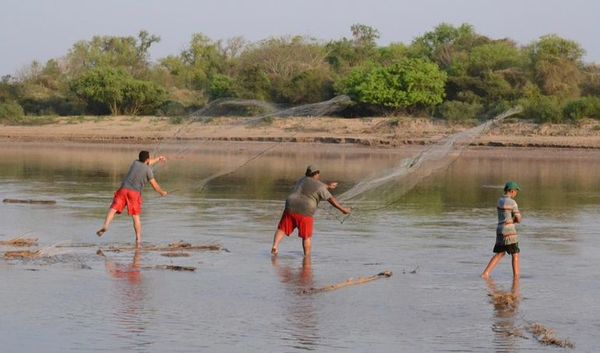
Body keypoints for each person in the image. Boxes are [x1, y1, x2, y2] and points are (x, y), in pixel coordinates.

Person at [271, 164, 351, 256]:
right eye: (319, 174)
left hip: (290, 205)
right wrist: (343, 209)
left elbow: (315, 185)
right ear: (317, 173)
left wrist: (328, 186)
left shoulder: (301, 180)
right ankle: (307, 257)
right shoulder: (320, 186)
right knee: (306, 236)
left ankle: (275, 246)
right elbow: (331, 199)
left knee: (282, 228)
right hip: (305, 210)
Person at [96, 151, 168, 246]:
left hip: (123, 190)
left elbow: (148, 162)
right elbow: (155, 186)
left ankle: (105, 226)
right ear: (147, 159)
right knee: (136, 217)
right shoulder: (148, 171)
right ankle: (138, 239)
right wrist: (162, 192)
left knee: (113, 209)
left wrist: (158, 159)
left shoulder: (135, 163)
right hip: (134, 193)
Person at [482, 181, 522, 279]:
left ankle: (485, 274)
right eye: (516, 191)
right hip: (509, 232)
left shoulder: (499, 200)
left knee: (500, 253)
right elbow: (519, 218)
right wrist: (514, 220)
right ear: (512, 191)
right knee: (515, 254)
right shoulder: (512, 202)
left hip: (499, 230)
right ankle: (516, 278)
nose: (516, 193)